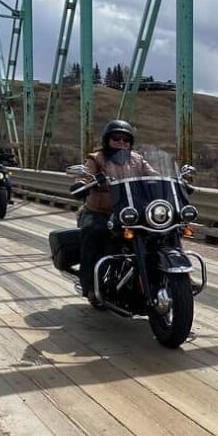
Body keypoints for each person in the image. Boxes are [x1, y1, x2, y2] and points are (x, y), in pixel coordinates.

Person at [77, 119, 157, 307]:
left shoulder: (137, 159)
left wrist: (170, 182)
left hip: (131, 211)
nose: (121, 143)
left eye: (126, 140)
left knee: (161, 231)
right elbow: (85, 176)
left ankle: (175, 275)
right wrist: (85, 183)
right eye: (116, 139)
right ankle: (90, 286)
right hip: (99, 211)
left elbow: (153, 175)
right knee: (93, 234)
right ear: (107, 140)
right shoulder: (96, 158)